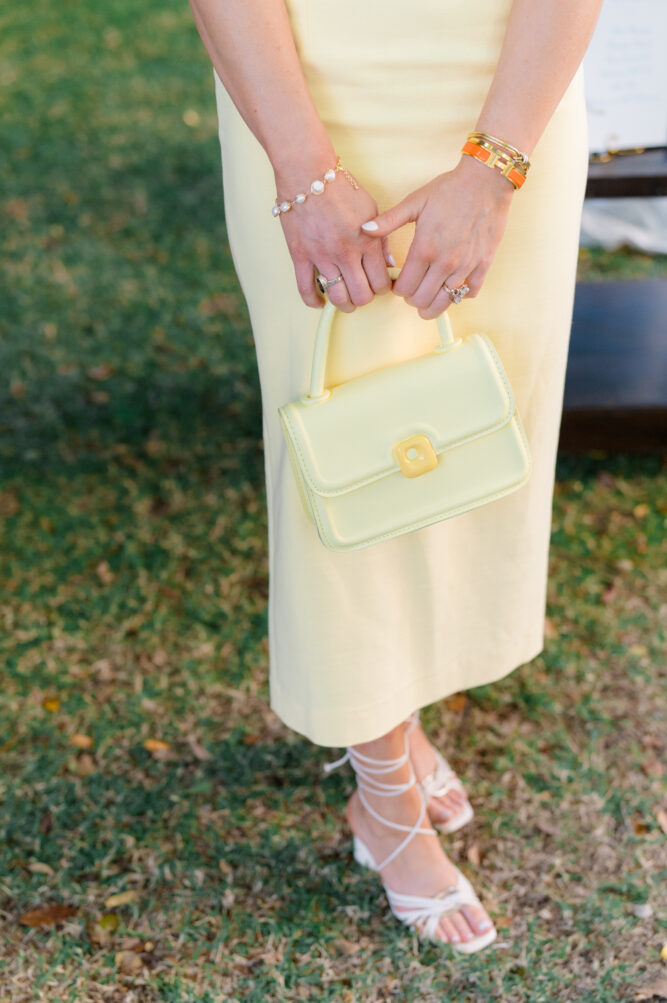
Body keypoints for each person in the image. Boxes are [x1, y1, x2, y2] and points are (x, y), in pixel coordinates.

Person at [188, 0, 604, 951]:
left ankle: (397, 720)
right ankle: (382, 805)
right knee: (351, 451)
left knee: (467, 433)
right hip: (312, 92)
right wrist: (301, 168)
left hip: (510, 88)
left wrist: (492, 168)